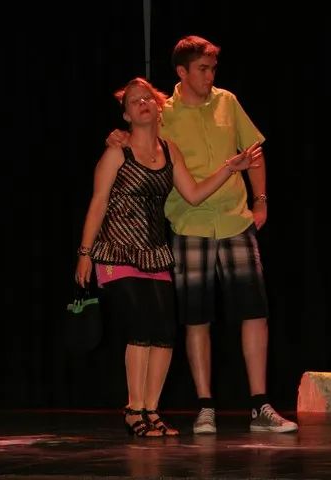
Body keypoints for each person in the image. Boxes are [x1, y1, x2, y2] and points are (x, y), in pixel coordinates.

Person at [105, 35, 299, 434]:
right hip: (190, 223)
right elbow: (135, 132)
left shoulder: (227, 101)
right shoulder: (164, 111)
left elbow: (254, 152)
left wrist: (261, 201)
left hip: (234, 219)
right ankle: (205, 406)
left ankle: (259, 404)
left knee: (254, 311)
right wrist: (117, 137)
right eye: (203, 69)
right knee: (196, 317)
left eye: (213, 69)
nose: (210, 76)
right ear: (182, 71)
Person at [75, 76, 261, 437]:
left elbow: (193, 194)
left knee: (163, 330)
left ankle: (151, 410)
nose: (142, 103)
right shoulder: (117, 152)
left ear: (158, 108)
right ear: (126, 116)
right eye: (134, 101)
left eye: (147, 98)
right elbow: (98, 202)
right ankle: (134, 410)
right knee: (140, 326)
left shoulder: (169, 150)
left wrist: (230, 167)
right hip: (116, 250)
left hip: (154, 252)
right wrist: (85, 252)